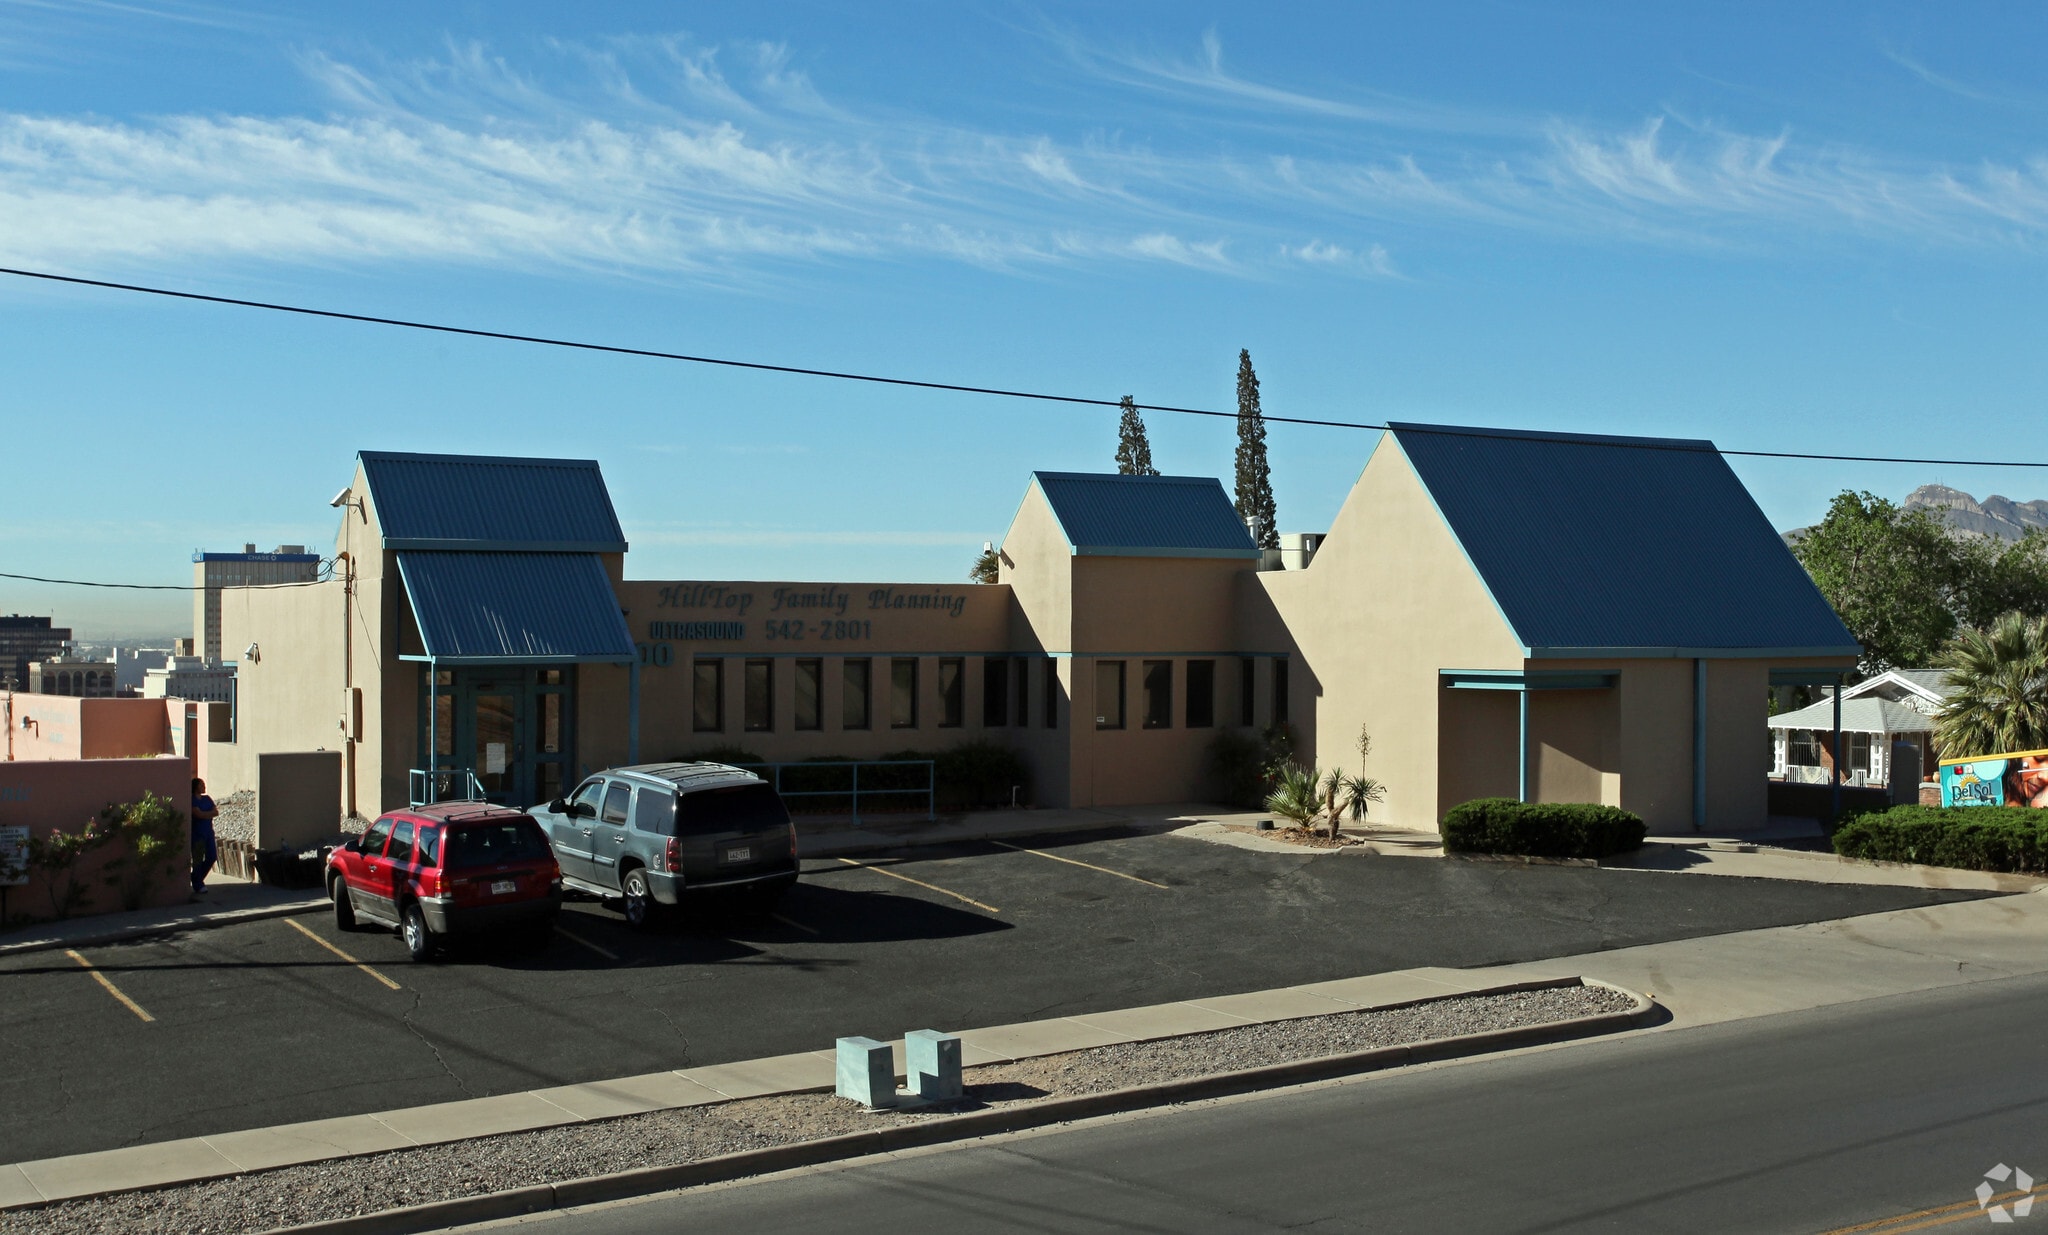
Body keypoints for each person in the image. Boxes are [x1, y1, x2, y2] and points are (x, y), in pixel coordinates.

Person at [190, 777, 218, 895]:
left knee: (212, 856)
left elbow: (215, 812)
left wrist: (204, 814)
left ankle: (196, 878)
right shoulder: (192, 799)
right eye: (202, 785)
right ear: (196, 787)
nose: (204, 787)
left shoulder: (207, 799)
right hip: (197, 833)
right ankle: (198, 884)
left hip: (208, 832)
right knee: (197, 859)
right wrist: (207, 814)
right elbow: (197, 814)